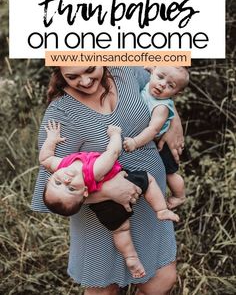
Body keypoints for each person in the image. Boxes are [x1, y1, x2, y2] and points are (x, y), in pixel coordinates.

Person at [31, 66, 184, 295]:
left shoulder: (125, 71)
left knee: (161, 281)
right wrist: (107, 191)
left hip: (149, 206)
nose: (84, 81)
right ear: (59, 72)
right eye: (71, 76)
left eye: (90, 70)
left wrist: (174, 123)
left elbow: (163, 89)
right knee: (105, 290)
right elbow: (51, 192)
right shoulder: (61, 113)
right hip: (101, 217)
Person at [39, 120, 179, 279]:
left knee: (120, 229)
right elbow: (113, 152)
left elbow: (45, 159)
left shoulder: (61, 166)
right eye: (71, 188)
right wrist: (115, 134)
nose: (66, 181)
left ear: (50, 179)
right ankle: (161, 210)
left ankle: (130, 257)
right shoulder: (94, 170)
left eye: (58, 182)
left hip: (102, 207)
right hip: (123, 182)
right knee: (148, 180)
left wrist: (51, 139)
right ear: (85, 192)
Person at [124, 66, 189, 209]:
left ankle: (180, 196)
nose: (162, 84)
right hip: (149, 138)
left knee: (169, 173)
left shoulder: (162, 106)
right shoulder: (149, 86)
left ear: (177, 93)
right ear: (152, 72)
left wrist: (135, 142)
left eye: (170, 85)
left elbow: (153, 130)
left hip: (161, 143)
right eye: (160, 77)